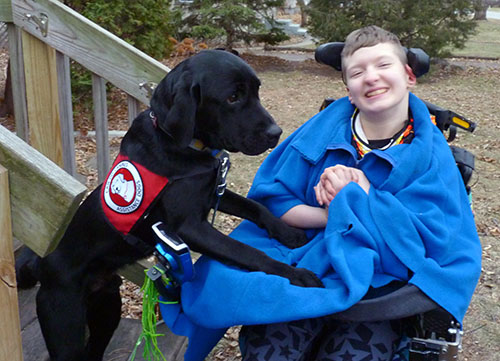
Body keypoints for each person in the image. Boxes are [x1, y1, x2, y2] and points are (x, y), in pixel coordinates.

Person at [160, 25, 482, 361]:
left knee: (353, 352)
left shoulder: (429, 155)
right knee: (269, 351)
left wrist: (360, 193)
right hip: (302, 265)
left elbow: (427, 242)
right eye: (357, 71)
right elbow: (274, 200)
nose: (371, 77)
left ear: (409, 75)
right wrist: (333, 214)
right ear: (348, 87)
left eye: (383, 66)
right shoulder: (319, 133)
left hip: (380, 288)